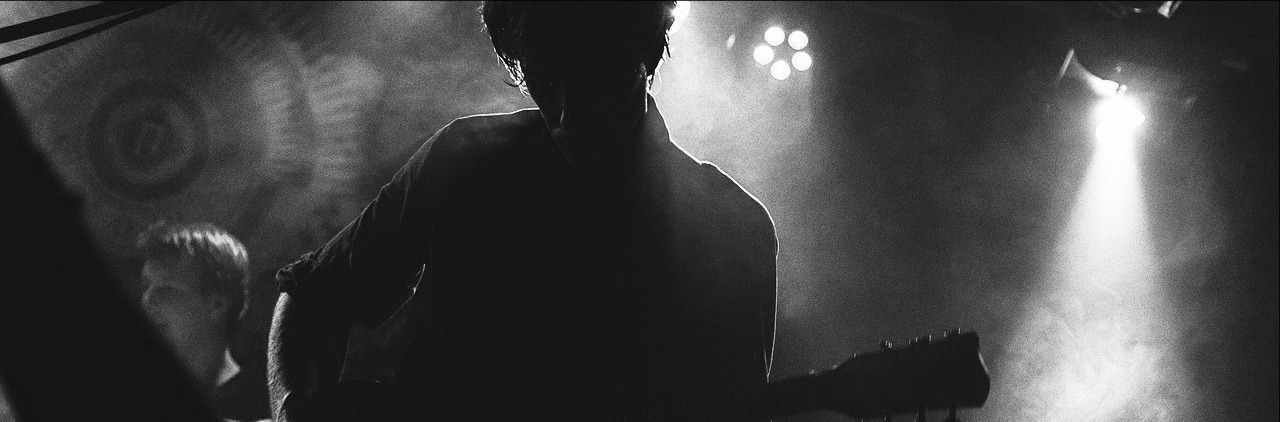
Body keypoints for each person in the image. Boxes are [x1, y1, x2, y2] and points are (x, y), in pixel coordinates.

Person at [268, 2, 778, 420]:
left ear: (649, 46)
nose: (566, 111)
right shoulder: (463, 159)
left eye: (595, 70)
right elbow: (310, 296)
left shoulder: (732, 231)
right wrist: (291, 410)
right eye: (544, 72)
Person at [137, 222, 272, 422]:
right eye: (146, 286)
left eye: (165, 287)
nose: (147, 300)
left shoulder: (268, 406)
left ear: (217, 305)